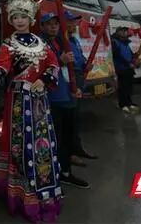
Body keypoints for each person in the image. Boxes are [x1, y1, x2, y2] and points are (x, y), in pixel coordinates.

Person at [0, 0, 62, 222]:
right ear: (11, 20)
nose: (20, 20)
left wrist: (44, 80)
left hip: (40, 103)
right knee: (20, 146)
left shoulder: (41, 43)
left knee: (42, 146)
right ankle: (20, 194)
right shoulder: (8, 44)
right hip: (18, 103)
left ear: (31, 18)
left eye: (23, 16)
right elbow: (2, 68)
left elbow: (54, 64)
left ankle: (43, 193)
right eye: (15, 17)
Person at [40, 12, 90, 189]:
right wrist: (59, 61)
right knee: (55, 139)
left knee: (67, 137)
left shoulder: (61, 42)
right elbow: (39, 68)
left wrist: (77, 87)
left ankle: (66, 172)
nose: (53, 27)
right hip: (52, 99)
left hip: (67, 95)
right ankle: (51, 174)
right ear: (42, 26)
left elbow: (71, 70)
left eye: (56, 23)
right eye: (49, 24)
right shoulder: (40, 44)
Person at [61, 11, 97, 167]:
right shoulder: (61, 41)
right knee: (68, 120)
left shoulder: (74, 40)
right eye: (70, 22)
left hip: (79, 78)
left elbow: (80, 58)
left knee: (76, 119)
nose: (73, 24)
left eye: (74, 22)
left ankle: (77, 148)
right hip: (68, 80)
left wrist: (86, 65)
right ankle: (69, 154)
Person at [111, 27, 138, 114]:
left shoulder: (126, 43)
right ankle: (122, 104)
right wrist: (127, 63)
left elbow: (130, 53)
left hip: (129, 68)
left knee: (129, 86)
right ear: (118, 32)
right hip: (121, 68)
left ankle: (129, 102)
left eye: (125, 31)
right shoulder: (114, 42)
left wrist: (134, 58)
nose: (125, 32)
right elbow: (117, 55)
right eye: (123, 31)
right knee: (122, 87)